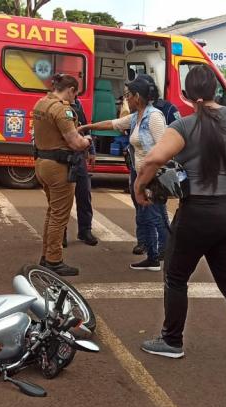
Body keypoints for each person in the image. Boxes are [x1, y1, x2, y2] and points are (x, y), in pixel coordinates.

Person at [133, 66, 226, 358]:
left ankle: (172, 341)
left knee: (176, 276)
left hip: (198, 213)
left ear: (186, 94)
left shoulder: (184, 125)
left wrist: (139, 186)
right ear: (215, 91)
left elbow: (155, 158)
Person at [81, 76, 169, 271]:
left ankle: (168, 257)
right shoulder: (137, 116)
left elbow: (164, 149)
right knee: (146, 217)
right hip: (140, 174)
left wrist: (149, 178)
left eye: (128, 95)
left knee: (156, 216)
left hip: (152, 176)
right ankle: (153, 257)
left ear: (137, 97)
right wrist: (87, 127)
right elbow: (113, 124)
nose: (125, 99)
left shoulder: (154, 117)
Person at [32, 74, 92, 276]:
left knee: (52, 212)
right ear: (71, 90)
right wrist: (87, 141)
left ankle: (46, 255)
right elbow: (75, 142)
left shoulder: (41, 103)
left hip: (42, 163)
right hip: (58, 167)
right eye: (76, 94)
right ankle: (54, 260)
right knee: (59, 216)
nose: (75, 98)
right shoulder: (62, 110)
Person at [69, 98, 99, 246]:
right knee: (62, 199)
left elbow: (85, 128)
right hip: (62, 156)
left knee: (84, 194)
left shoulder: (77, 105)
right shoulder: (55, 105)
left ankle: (85, 230)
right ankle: (60, 234)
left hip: (79, 156)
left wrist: (91, 151)